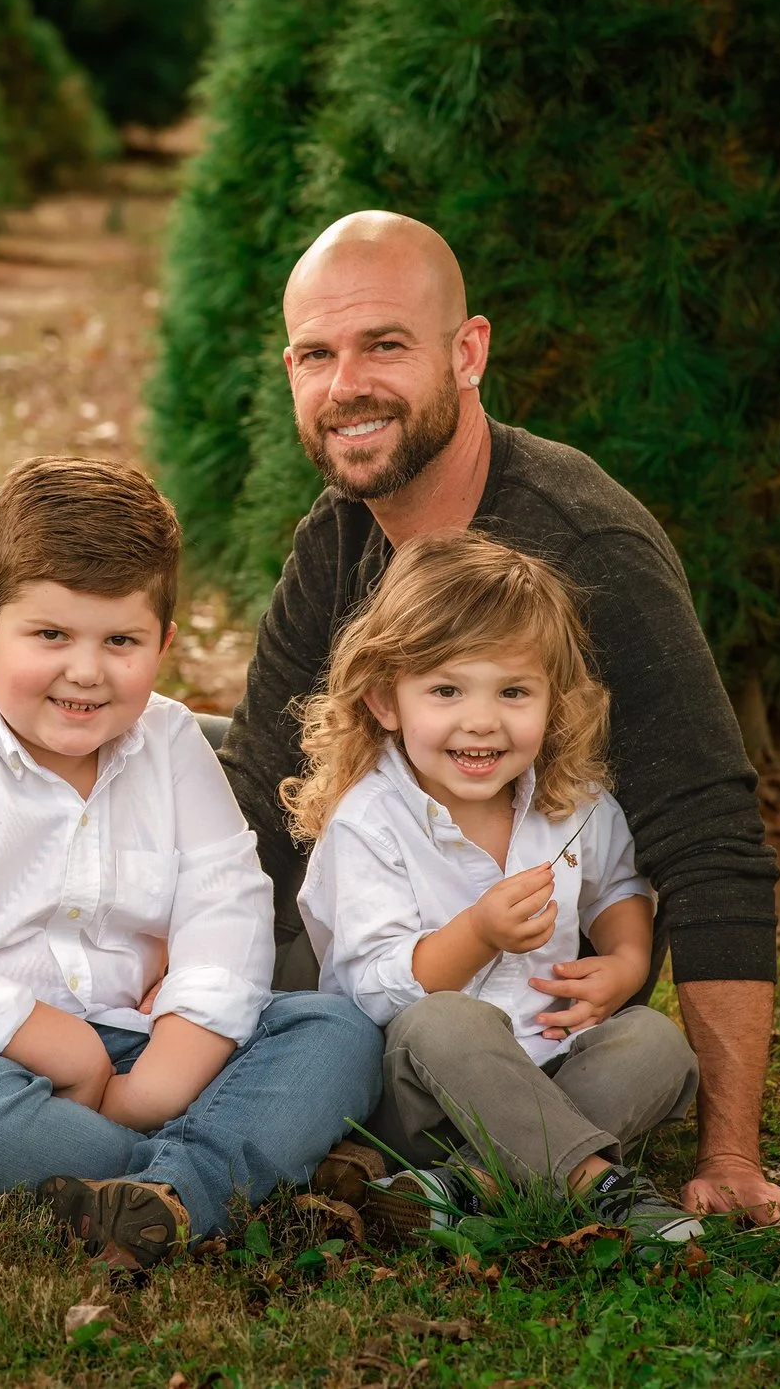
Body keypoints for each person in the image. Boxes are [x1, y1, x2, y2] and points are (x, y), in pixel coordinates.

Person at [218, 209, 780, 1226]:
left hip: (547, 1008)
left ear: (467, 352)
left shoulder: (587, 549)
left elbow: (706, 837)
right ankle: (559, 1174)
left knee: (648, 1051)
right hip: (385, 965)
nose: (345, 383)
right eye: (317, 354)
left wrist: (731, 1152)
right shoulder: (338, 537)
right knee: (175, 757)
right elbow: (253, 785)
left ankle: (465, 1179)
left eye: (384, 345)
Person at [0, 457, 381, 1269]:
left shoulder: (170, 743)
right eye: (50, 635)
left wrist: (157, 1078)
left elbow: (225, 909)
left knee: (337, 1030)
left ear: (163, 642)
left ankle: (162, 1186)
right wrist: (61, 1046)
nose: (85, 671)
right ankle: (210, 1176)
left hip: (144, 1042)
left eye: (120, 640)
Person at [292, 532, 701, 1241]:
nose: (482, 720)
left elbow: (615, 885)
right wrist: (475, 933)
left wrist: (627, 960)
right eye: (446, 690)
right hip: (418, 1090)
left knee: (656, 1041)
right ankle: (593, 1182)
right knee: (447, 1018)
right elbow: (375, 987)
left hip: (550, 1069)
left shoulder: (573, 801)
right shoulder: (371, 819)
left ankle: (464, 1185)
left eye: (514, 691)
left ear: (553, 701)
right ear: (387, 699)